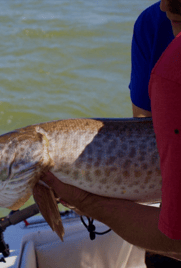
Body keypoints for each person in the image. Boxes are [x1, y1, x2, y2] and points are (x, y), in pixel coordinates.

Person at [41, 0, 181, 261]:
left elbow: (176, 242)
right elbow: (146, 135)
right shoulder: (153, 25)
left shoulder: (171, 72)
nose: (165, 6)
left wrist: (89, 202)